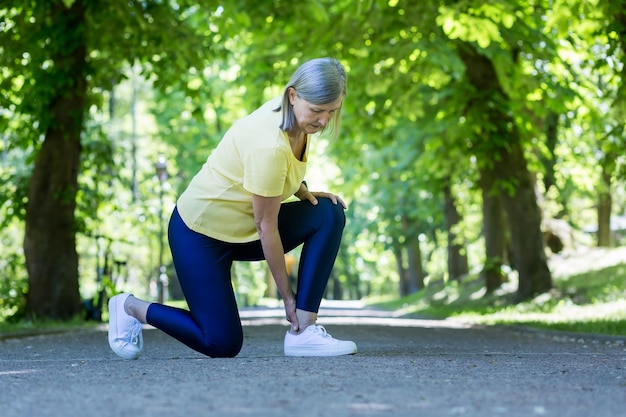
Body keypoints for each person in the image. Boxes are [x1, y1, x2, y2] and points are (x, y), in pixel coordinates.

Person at [108, 57, 357, 359]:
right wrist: (288, 299)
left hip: (243, 228)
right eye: (317, 110)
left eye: (332, 111)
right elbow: (267, 226)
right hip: (198, 234)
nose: (323, 121)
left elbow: (271, 177)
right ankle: (130, 307)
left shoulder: (294, 119)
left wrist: (300, 189)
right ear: (293, 95)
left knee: (327, 212)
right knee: (222, 343)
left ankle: (304, 332)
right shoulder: (268, 143)